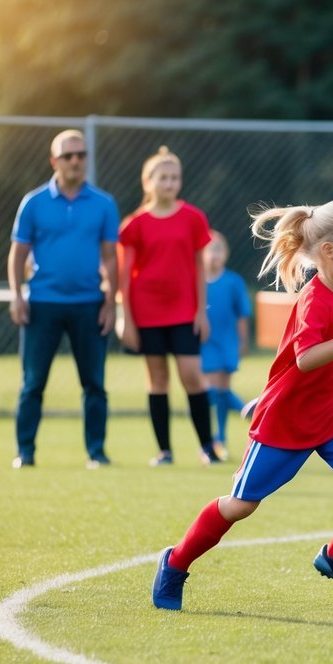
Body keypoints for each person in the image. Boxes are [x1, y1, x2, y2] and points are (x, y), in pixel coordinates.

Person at [152, 200, 333, 611]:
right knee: (240, 505)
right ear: (328, 251)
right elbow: (307, 358)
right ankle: (176, 562)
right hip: (286, 420)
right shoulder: (315, 298)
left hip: (330, 413)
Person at [8, 129, 120, 470]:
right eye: (68, 156)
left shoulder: (104, 203)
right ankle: (25, 452)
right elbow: (17, 255)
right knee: (33, 383)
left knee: (94, 385)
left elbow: (111, 257)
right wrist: (17, 296)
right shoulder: (34, 202)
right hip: (42, 303)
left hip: (89, 304)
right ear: (54, 160)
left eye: (81, 155)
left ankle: (96, 453)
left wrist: (110, 303)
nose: (76, 161)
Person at [119, 146, 220, 466]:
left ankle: (208, 448)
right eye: (163, 177)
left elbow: (200, 267)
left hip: (184, 312)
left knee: (192, 376)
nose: (169, 183)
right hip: (146, 313)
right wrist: (127, 319)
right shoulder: (135, 224)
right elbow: (124, 276)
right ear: (147, 182)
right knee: (158, 379)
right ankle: (164, 451)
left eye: (175, 177)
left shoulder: (193, 218)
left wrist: (200, 311)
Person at [200, 231, 252, 460]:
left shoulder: (233, 282)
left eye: (219, 250)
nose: (214, 255)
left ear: (226, 254)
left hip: (226, 342)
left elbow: (242, 314)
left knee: (219, 389)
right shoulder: (197, 281)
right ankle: (247, 415)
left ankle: (219, 438)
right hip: (204, 343)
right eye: (210, 250)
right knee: (215, 391)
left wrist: (243, 341)